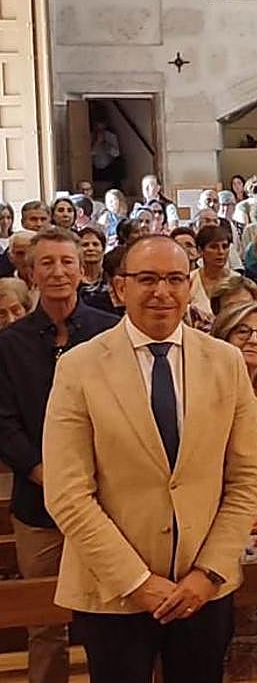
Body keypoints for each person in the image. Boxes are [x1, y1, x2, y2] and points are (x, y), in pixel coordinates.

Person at [42, 235, 257, 683]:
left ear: (189, 286)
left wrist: (208, 574)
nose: (162, 291)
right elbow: (67, 493)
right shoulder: (79, 367)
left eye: (174, 279)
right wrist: (137, 582)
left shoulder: (226, 362)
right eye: (147, 279)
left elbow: (243, 479)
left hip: (202, 589)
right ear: (120, 288)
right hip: (113, 590)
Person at [0, 228, 119, 683]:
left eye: (67, 262)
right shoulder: (10, 344)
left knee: (112, 611)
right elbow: (4, 423)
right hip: (39, 502)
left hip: (108, 497)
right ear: (30, 273)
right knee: (45, 621)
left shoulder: (111, 332)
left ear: (82, 270)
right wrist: (44, 473)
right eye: (46, 263)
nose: (57, 272)